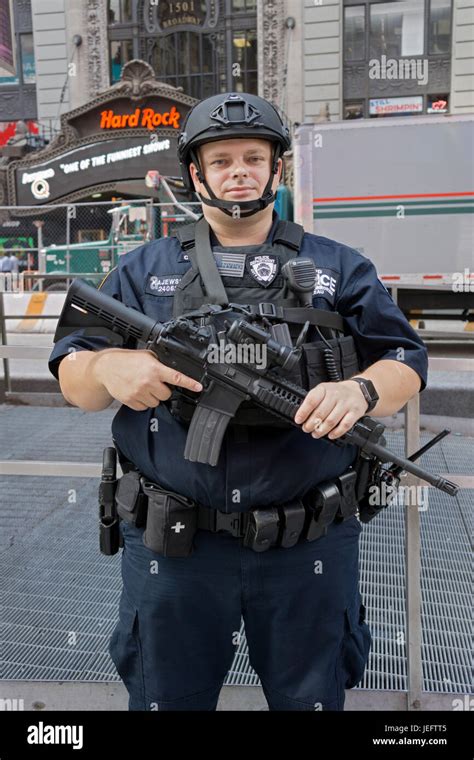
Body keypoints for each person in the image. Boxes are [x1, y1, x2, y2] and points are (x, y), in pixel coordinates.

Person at [49, 92, 428, 711]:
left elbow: (407, 360)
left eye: (254, 156)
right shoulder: (143, 271)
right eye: (220, 160)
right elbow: (74, 377)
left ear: (277, 168)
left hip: (308, 543)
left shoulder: (338, 266)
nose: (239, 171)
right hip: (174, 549)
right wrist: (107, 364)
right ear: (196, 174)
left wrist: (359, 391)